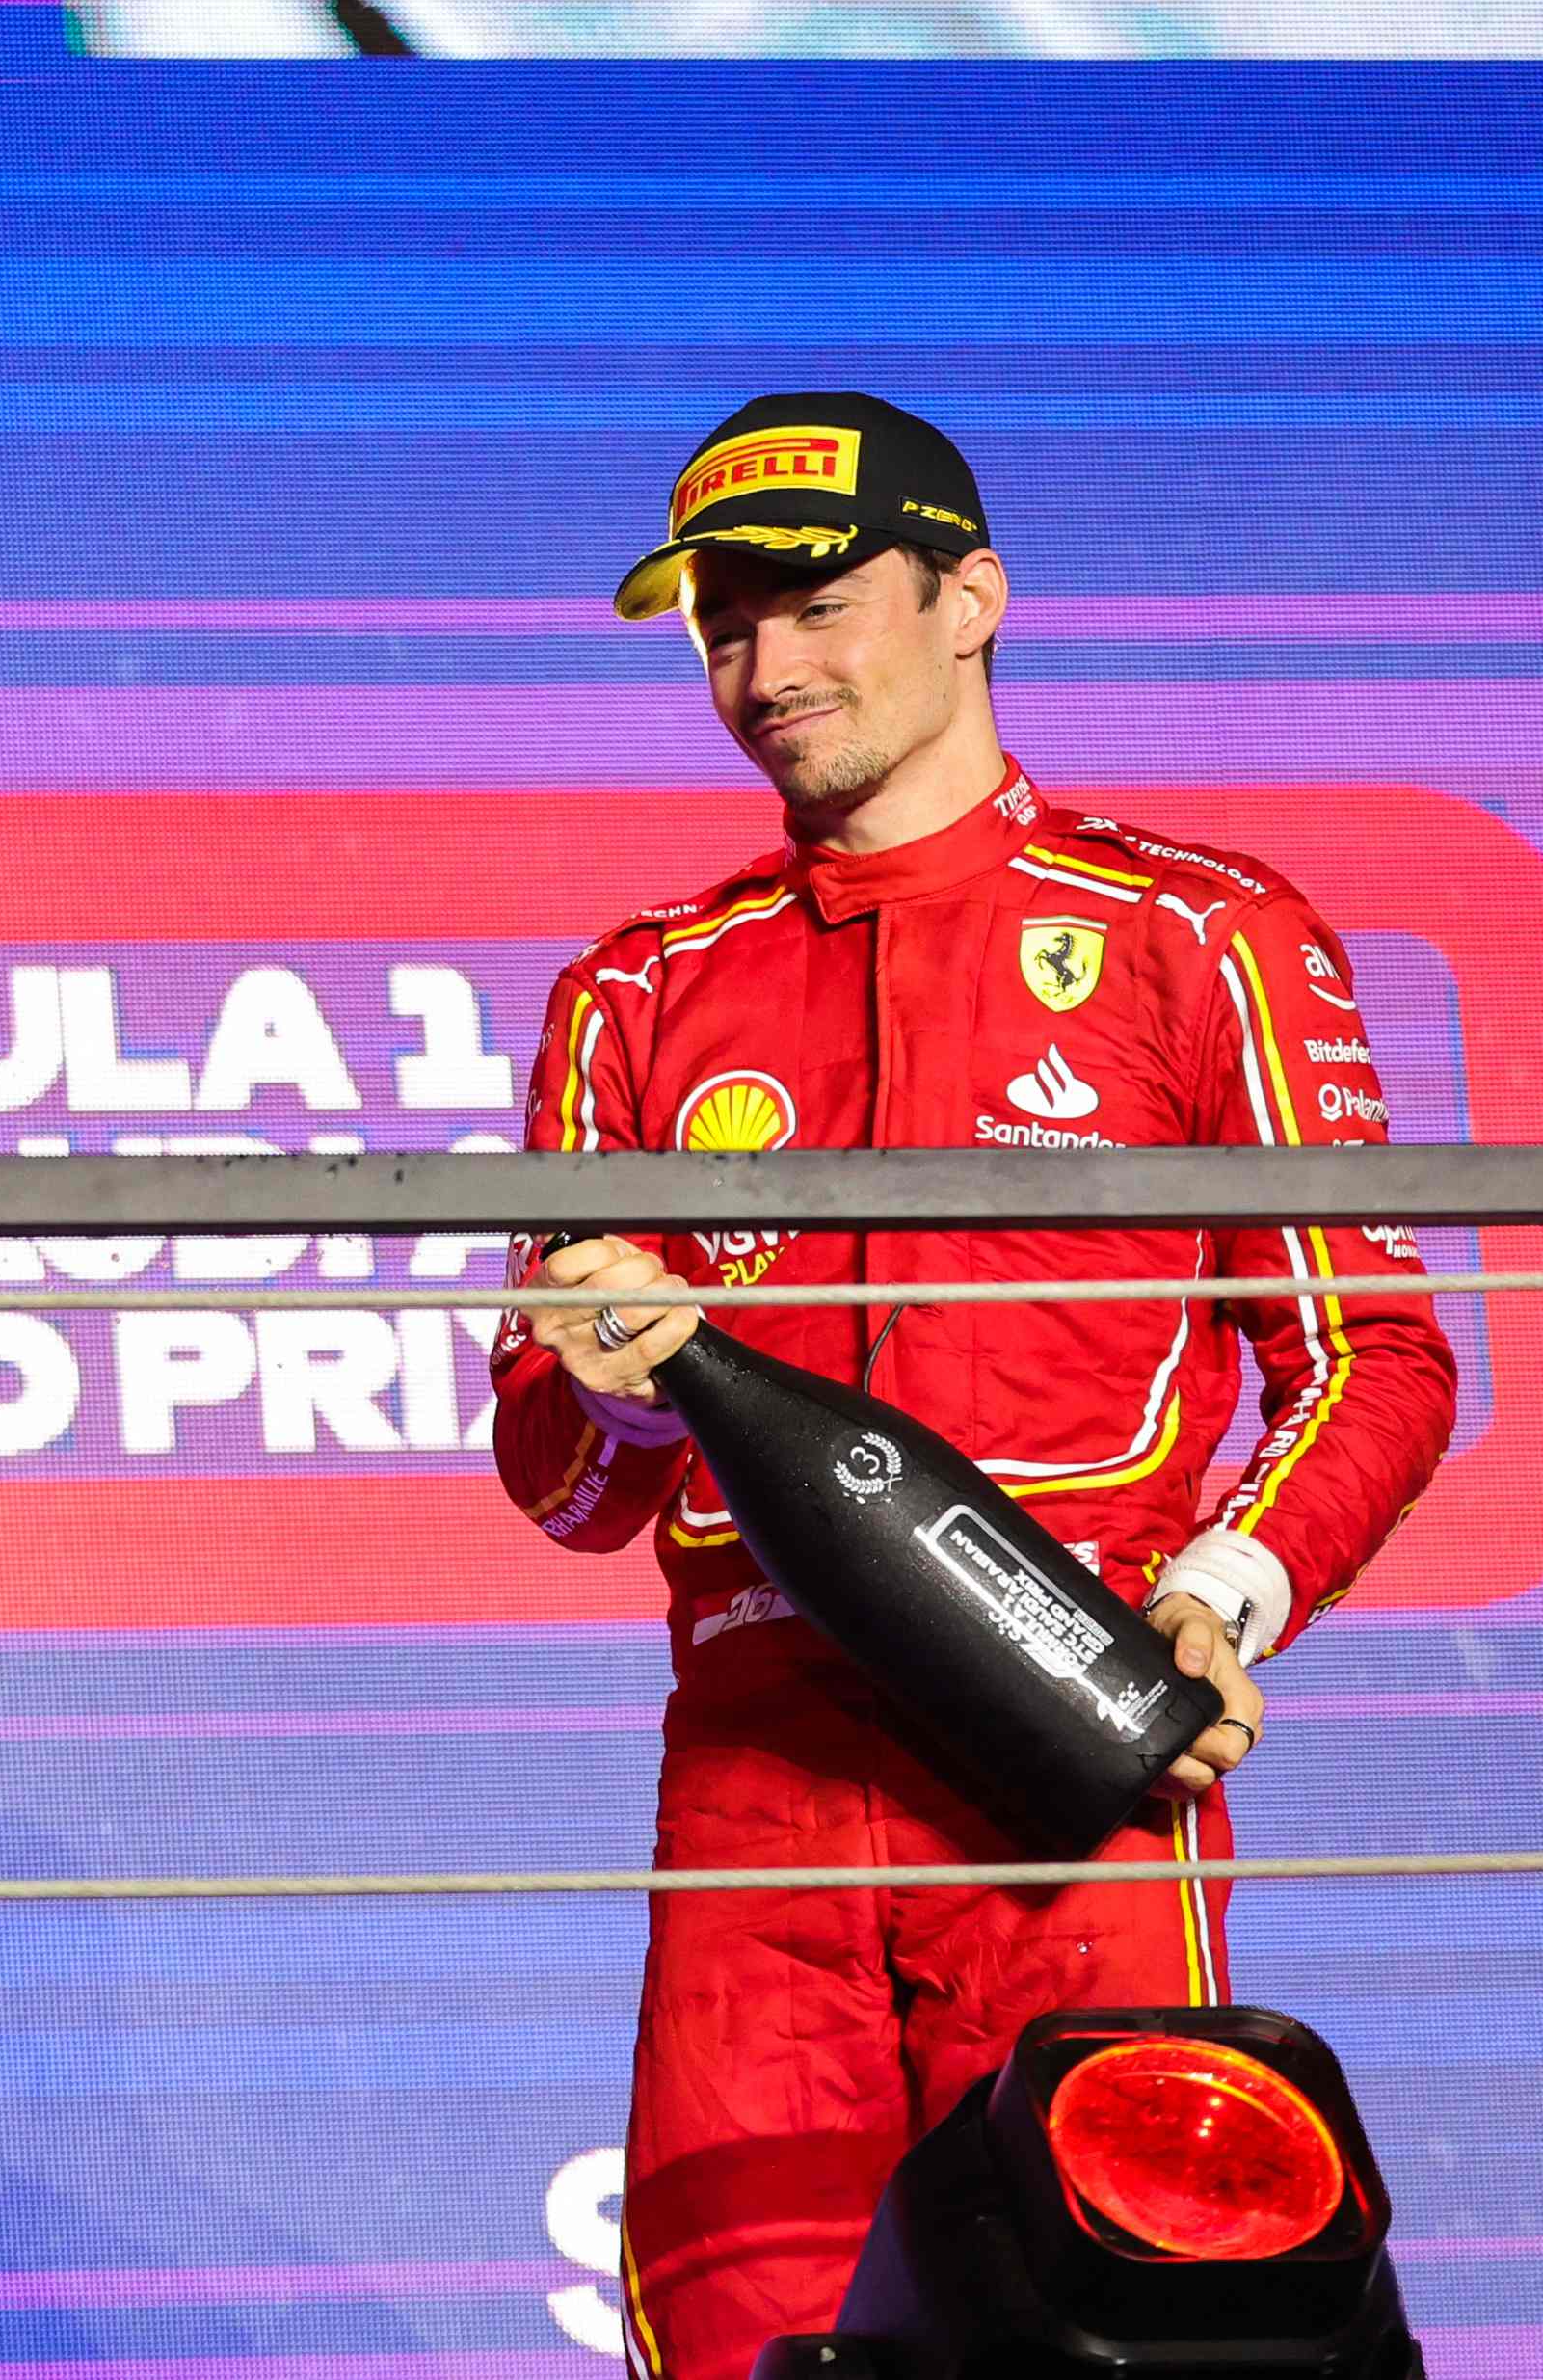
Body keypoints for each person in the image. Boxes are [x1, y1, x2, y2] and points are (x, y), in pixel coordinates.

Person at [498, 393, 1454, 2380]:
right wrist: (625, 1387)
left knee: (1118, 2343)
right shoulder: (636, 987)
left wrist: (1221, 1593)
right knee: (750, 2344)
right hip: (754, 1791)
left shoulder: (1197, 931)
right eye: (724, 624)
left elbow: (1375, 1346)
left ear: (971, 598)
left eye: (819, 604)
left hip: (1069, 1761)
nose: (764, 671)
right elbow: (567, 1489)